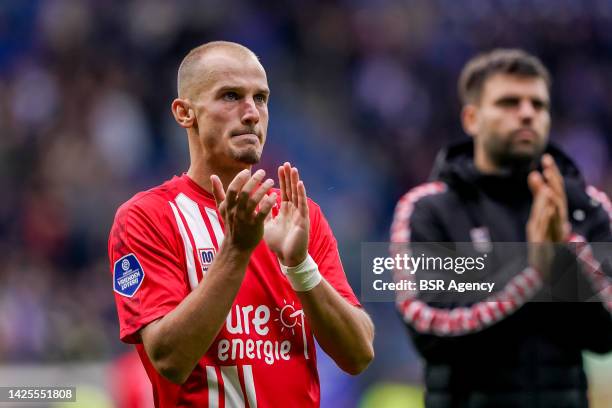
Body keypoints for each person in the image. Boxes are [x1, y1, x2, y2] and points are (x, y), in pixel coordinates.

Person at [108, 41, 374, 407]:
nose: (251, 113)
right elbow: (169, 359)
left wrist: (300, 267)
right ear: (185, 112)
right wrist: (236, 249)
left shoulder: (299, 215)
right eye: (231, 96)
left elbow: (359, 354)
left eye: (261, 98)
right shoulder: (147, 218)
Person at [391, 49, 612, 407]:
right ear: (471, 118)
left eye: (538, 105)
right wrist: (534, 267)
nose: (527, 113)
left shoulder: (585, 207)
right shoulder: (430, 210)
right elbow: (429, 328)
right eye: (509, 102)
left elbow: (605, 334)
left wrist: (563, 258)